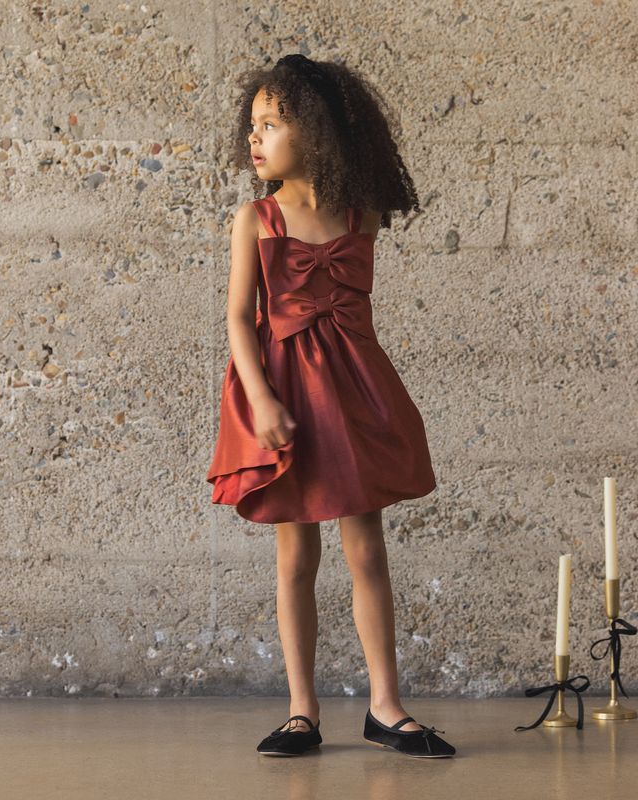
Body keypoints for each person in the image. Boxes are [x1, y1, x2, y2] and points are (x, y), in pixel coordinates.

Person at [207, 53, 456, 759]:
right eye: (251, 125)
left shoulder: (361, 214)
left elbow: (354, 323)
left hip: (351, 390)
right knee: (295, 556)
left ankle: (387, 706)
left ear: (316, 132)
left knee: (367, 548)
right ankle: (301, 711)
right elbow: (238, 318)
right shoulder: (253, 218)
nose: (254, 139)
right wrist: (260, 402)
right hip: (282, 391)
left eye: (271, 124)